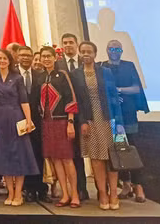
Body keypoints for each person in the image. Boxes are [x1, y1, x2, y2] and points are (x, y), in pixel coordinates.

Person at [73, 42, 124, 210]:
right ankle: (102, 192)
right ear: (79, 54)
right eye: (83, 52)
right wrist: (82, 122)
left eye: (89, 51)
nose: (86, 54)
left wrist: (118, 122)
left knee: (112, 157)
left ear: (95, 54)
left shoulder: (105, 72)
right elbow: (77, 102)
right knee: (96, 158)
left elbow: (114, 97)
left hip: (108, 119)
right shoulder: (76, 74)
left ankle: (114, 193)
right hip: (89, 121)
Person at [100, 40, 149, 203]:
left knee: (132, 149)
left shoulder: (129, 66)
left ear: (121, 51)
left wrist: (118, 90)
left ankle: (138, 186)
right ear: (106, 50)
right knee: (117, 150)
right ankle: (126, 185)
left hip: (127, 115)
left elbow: (137, 88)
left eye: (117, 49)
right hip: (112, 116)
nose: (114, 51)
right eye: (111, 48)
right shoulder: (102, 67)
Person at [0, 49, 38, 206]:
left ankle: (19, 193)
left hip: (16, 116)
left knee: (19, 154)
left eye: (5, 58)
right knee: (3, 156)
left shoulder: (17, 78)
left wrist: (29, 120)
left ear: (10, 60)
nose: (2, 61)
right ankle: (10, 193)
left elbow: (24, 100)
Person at [38, 46, 81, 208]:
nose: (46, 59)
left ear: (55, 58)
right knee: (55, 158)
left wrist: (70, 122)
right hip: (47, 123)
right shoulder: (40, 77)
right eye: (44, 56)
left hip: (62, 121)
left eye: (49, 56)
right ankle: (64, 194)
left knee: (67, 158)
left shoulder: (62, 75)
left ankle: (75, 194)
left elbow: (71, 98)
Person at [54, 33, 88, 201]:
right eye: (65, 43)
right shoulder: (57, 64)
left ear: (76, 44)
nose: (68, 45)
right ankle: (70, 191)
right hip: (65, 115)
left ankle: (83, 189)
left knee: (81, 154)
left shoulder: (85, 61)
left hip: (84, 114)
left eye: (71, 43)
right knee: (69, 154)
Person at [17, 45, 49, 203]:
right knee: (24, 155)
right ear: (17, 57)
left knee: (38, 154)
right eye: (22, 55)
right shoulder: (12, 75)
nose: (25, 58)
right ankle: (28, 189)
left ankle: (42, 189)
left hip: (38, 121)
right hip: (18, 120)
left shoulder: (41, 75)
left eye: (28, 55)